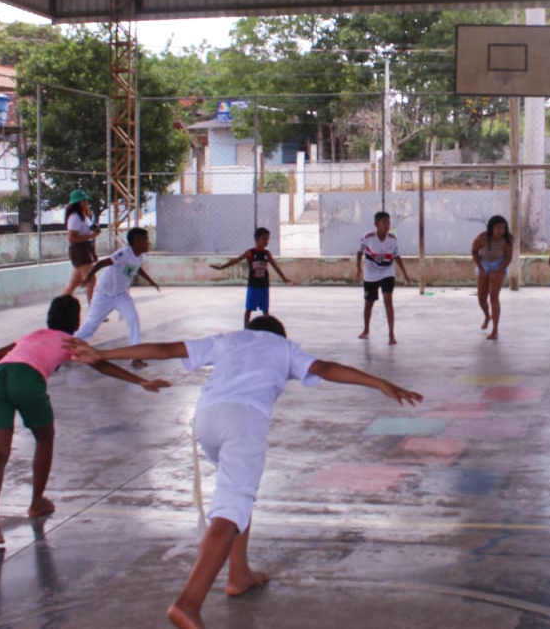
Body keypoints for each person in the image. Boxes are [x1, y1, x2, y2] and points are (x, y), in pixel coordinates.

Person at [63, 315, 423, 629]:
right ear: (280, 335)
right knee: (231, 508)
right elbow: (325, 369)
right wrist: (381, 383)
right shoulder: (285, 348)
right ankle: (188, 603)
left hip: (206, 418)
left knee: (237, 494)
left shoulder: (229, 339)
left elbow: (168, 349)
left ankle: (239, 574)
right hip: (244, 420)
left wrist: (104, 354)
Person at [0, 295, 170, 544]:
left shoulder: (32, 335)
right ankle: (36, 502)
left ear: (49, 318)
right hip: (28, 379)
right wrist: (140, 381)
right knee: (44, 439)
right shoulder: (70, 341)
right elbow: (101, 364)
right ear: (76, 322)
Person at [72, 227, 161, 367]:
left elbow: (137, 269)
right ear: (136, 242)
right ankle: (70, 344)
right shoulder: (123, 254)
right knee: (91, 324)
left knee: (133, 320)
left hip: (121, 295)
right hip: (104, 295)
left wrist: (151, 282)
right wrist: (88, 277)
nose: (148, 243)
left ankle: (135, 357)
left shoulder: (139, 256)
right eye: (145, 240)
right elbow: (101, 263)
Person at [211, 227, 293, 327]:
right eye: (264, 239)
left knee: (265, 310)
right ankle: (246, 328)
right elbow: (236, 260)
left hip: (264, 286)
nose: (266, 242)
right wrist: (221, 267)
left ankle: (267, 329)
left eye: (267, 239)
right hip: (253, 286)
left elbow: (275, 267)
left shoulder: (267, 254)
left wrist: (284, 278)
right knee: (249, 309)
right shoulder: (250, 253)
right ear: (257, 239)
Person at [355, 211, 412, 344]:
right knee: (369, 303)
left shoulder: (392, 239)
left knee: (388, 300)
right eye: (384, 222)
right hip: (371, 273)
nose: (387, 225)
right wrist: (358, 268)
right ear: (376, 224)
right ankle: (366, 329)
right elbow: (359, 252)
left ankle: (391, 334)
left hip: (387, 271)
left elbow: (397, 256)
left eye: (388, 222)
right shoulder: (368, 238)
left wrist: (405, 274)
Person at [471, 215, 513, 340]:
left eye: (503, 228)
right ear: (491, 228)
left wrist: (500, 271)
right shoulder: (482, 238)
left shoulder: (507, 240)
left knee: (494, 296)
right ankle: (487, 316)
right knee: (481, 298)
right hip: (484, 263)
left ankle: (495, 329)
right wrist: (481, 267)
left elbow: (508, 257)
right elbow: (474, 251)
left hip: (499, 263)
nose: (501, 230)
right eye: (498, 227)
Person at [61, 189, 101, 305]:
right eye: (83, 201)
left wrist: (93, 233)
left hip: (85, 249)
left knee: (74, 282)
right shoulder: (74, 217)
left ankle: (61, 305)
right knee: (91, 280)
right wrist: (91, 235)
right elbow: (72, 238)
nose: (86, 202)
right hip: (80, 250)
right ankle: (94, 309)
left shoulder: (84, 215)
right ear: (78, 203)